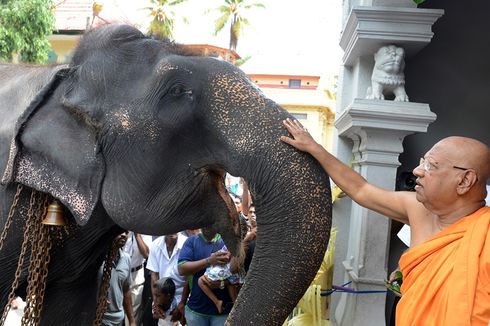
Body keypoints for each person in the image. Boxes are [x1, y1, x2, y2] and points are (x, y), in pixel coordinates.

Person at [281, 118, 490, 326]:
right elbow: (362, 190)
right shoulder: (417, 208)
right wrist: (314, 148)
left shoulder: (485, 235)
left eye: (431, 166)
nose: (418, 171)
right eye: (422, 162)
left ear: (464, 181)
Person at [178, 226, 233, 325]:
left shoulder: (226, 241)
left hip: (222, 313)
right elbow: (182, 269)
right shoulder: (192, 241)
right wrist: (209, 261)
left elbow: (237, 271)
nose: (207, 225)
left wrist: (223, 283)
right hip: (196, 311)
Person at [145, 233, 188, 325]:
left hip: (183, 298)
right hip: (163, 300)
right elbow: (154, 276)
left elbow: (190, 278)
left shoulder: (187, 243)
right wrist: (156, 303)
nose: (172, 231)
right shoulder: (156, 244)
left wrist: (182, 303)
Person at [99, 231, 136, 326]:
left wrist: (132, 320)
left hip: (118, 319)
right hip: (100, 318)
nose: (124, 235)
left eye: (126, 232)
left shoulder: (126, 258)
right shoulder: (98, 258)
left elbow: (126, 290)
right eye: (119, 231)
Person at [197, 245, 239, 314]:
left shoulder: (234, 245)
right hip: (230, 274)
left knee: (200, 281)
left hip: (224, 270)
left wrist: (216, 257)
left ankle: (217, 302)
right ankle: (236, 304)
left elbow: (226, 257)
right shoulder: (233, 245)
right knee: (231, 286)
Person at [123, 231, 153, 325]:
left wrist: (137, 235)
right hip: (120, 272)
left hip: (136, 272)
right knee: (117, 308)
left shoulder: (143, 228)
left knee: (134, 309)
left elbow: (146, 254)